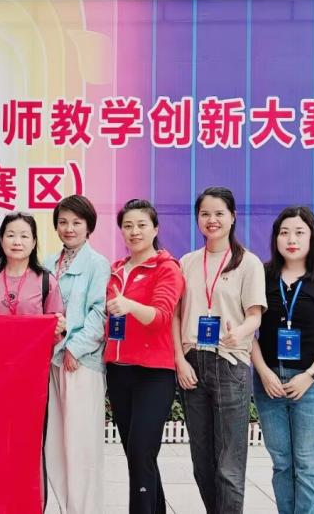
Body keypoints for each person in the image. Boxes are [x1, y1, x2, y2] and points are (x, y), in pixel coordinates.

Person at [173, 186, 266, 514]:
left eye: (219, 213)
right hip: (192, 363)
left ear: (233, 217)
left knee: (229, 464)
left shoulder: (248, 263)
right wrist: (179, 360)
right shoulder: (187, 262)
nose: (212, 220)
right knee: (202, 462)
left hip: (229, 363)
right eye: (205, 214)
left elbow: (254, 315)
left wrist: (238, 332)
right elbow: (176, 315)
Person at [251, 207, 314, 514]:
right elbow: (249, 330)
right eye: (284, 233)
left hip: (311, 383)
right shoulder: (261, 276)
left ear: (312, 237)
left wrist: (310, 376)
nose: (291, 239)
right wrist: (263, 372)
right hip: (269, 382)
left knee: (307, 463)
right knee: (281, 462)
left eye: (299, 232)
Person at [103, 198, 184, 514]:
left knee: (140, 452)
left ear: (155, 229)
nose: (134, 231)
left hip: (153, 374)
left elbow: (162, 317)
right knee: (138, 455)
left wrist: (129, 305)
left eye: (141, 225)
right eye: (127, 226)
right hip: (118, 372)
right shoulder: (115, 270)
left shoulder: (167, 268)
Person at [41, 194, 110, 514]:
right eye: (63, 222)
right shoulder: (47, 263)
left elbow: (99, 313)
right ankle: (66, 506)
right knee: (56, 444)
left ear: (89, 226)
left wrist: (74, 347)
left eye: (76, 223)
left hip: (80, 362)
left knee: (81, 445)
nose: (69, 228)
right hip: (51, 360)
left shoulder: (97, 263)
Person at [0, 211, 65, 322]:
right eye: (10, 235)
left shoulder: (47, 281)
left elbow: (54, 326)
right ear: (1, 240)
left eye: (24, 236)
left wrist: (59, 326)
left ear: (34, 242)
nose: (17, 242)